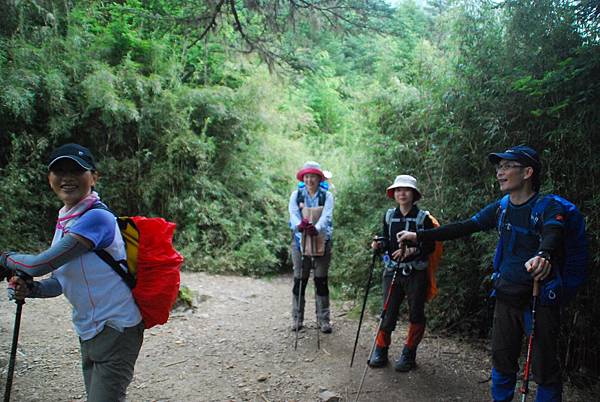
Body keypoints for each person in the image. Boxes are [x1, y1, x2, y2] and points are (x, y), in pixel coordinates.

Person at [398, 146, 565, 401]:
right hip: (506, 295)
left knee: (543, 367)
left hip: (538, 298)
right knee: (501, 360)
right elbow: (465, 226)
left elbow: (553, 231)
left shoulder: (547, 206)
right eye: (499, 167)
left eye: (507, 167)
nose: (500, 172)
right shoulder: (502, 207)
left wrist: (544, 254)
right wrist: (418, 235)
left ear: (528, 172)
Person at [0, 143, 144, 402]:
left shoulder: (96, 219)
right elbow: (59, 281)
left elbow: (38, 265)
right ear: (49, 178)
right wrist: (31, 289)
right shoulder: (66, 218)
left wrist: (5, 258)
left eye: (76, 171)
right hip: (89, 329)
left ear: (94, 177)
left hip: (116, 328)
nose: (67, 178)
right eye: (59, 171)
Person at [368, 175, 436, 371]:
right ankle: (381, 349)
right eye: (398, 190)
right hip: (392, 270)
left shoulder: (423, 218)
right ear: (394, 194)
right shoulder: (389, 216)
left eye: (406, 190)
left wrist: (414, 250)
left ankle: (409, 353)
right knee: (387, 312)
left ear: (414, 194)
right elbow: (387, 243)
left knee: (416, 312)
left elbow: (430, 245)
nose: (401, 193)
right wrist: (378, 244)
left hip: (416, 271)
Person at [288, 161, 334, 333]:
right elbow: (293, 213)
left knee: (321, 280)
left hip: (322, 240)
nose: (309, 180)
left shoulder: (326, 196)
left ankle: (324, 320)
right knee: (300, 279)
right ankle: (296, 319)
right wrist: (300, 225)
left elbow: (327, 216)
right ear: (303, 178)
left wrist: (316, 228)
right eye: (307, 176)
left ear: (318, 178)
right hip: (300, 241)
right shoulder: (296, 195)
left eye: (313, 176)